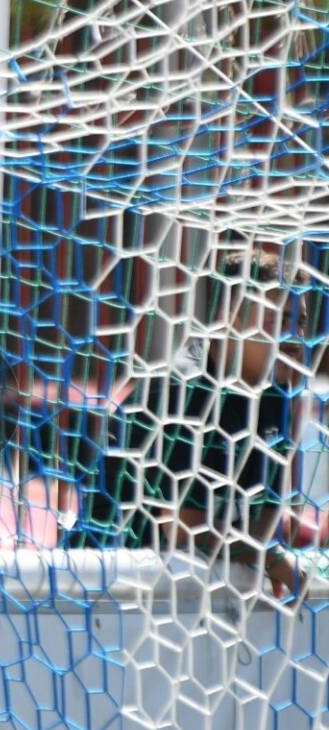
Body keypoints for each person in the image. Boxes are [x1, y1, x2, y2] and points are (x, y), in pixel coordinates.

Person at [96, 246, 314, 596]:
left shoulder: (276, 395)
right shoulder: (182, 390)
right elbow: (181, 527)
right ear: (232, 318)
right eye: (279, 321)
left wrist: (265, 555)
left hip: (193, 591)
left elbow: (265, 517)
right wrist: (270, 559)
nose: (295, 338)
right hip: (106, 585)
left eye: (300, 323)